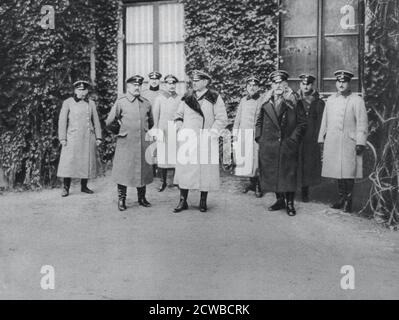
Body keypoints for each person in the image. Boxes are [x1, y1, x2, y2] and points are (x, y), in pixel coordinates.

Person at [173, 70, 228, 213]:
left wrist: (211, 133)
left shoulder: (214, 97)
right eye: (193, 80)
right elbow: (178, 115)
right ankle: (182, 200)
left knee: (206, 171)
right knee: (185, 170)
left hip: (206, 139)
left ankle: (203, 201)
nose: (194, 83)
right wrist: (180, 128)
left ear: (206, 82)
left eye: (197, 81)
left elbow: (222, 119)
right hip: (188, 139)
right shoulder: (187, 97)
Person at [255, 70, 307, 216]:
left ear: (286, 84)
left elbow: (302, 123)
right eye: (275, 83)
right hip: (270, 144)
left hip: (287, 144)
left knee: (288, 174)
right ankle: (279, 200)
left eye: (281, 83)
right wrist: (260, 138)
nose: (278, 86)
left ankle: (290, 203)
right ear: (272, 85)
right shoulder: (266, 101)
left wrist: (293, 140)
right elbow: (258, 121)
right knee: (274, 173)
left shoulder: (294, 101)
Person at [318, 70, 368, 213]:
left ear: (349, 83)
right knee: (337, 171)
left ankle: (348, 200)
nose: (341, 84)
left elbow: (362, 123)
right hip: (333, 140)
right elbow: (325, 121)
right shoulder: (331, 100)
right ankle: (341, 198)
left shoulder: (357, 100)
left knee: (348, 172)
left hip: (349, 141)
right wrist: (321, 138)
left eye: (344, 81)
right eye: (339, 81)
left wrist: (360, 142)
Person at [105, 75, 154, 211]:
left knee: (142, 169)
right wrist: (120, 131)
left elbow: (151, 122)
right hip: (126, 142)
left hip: (143, 142)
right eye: (134, 85)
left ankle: (142, 198)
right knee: (124, 170)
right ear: (128, 87)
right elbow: (109, 122)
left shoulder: (146, 103)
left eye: (139, 85)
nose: (137, 87)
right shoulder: (121, 102)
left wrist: (144, 131)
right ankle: (122, 199)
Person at [57, 79, 102, 197]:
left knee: (86, 161)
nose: (82, 92)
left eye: (84, 90)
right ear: (75, 90)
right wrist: (62, 137)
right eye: (79, 90)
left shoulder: (91, 103)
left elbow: (96, 121)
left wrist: (99, 137)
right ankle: (66, 187)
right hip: (72, 137)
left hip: (88, 137)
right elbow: (62, 121)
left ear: (87, 91)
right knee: (69, 162)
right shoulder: (68, 102)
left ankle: (84, 186)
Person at [232, 75, 264, 198]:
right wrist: (235, 134)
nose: (252, 88)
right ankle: (251, 183)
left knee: (255, 160)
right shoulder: (243, 100)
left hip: (255, 135)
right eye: (249, 85)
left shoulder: (261, 100)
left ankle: (258, 186)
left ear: (258, 87)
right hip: (243, 134)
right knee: (246, 160)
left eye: (254, 86)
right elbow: (238, 118)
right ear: (246, 87)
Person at [296, 74, 325, 202]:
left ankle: (305, 191)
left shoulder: (318, 102)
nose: (305, 86)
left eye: (308, 84)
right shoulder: (295, 100)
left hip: (311, 138)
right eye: (303, 84)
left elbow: (321, 121)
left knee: (308, 164)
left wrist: (319, 138)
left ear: (312, 85)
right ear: (300, 85)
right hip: (297, 137)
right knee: (296, 162)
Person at [152, 74, 181, 192]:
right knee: (163, 157)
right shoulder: (159, 98)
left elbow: (182, 114)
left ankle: (176, 181)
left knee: (176, 156)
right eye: (169, 83)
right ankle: (163, 182)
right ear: (165, 85)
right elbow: (155, 116)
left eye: (174, 83)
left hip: (175, 130)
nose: (172, 85)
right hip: (163, 130)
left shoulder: (180, 98)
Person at [142, 71, 165, 177]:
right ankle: (149, 170)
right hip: (148, 123)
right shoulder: (143, 94)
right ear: (149, 80)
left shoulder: (164, 93)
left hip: (160, 122)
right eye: (152, 79)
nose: (154, 81)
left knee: (160, 146)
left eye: (156, 79)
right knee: (148, 146)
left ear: (159, 81)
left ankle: (160, 170)